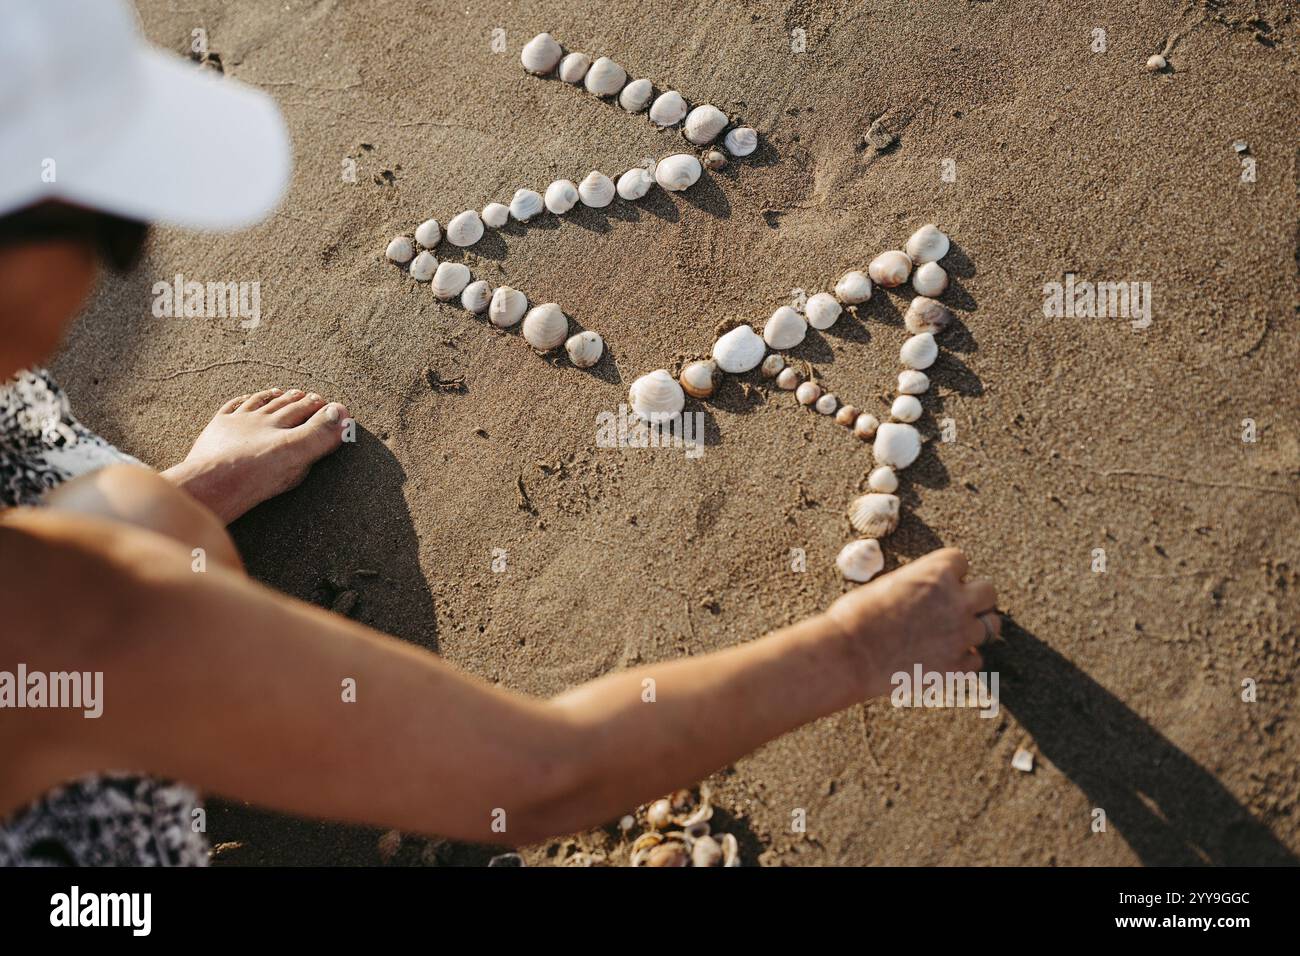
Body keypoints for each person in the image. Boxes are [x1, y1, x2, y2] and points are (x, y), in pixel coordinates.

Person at [0, 0, 1000, 865]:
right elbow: (538, 773)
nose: (111, 260)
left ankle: (174, 514)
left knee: (134, 514)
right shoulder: (61, 616)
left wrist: (184, 496)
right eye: (106, 216)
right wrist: (857, 649)